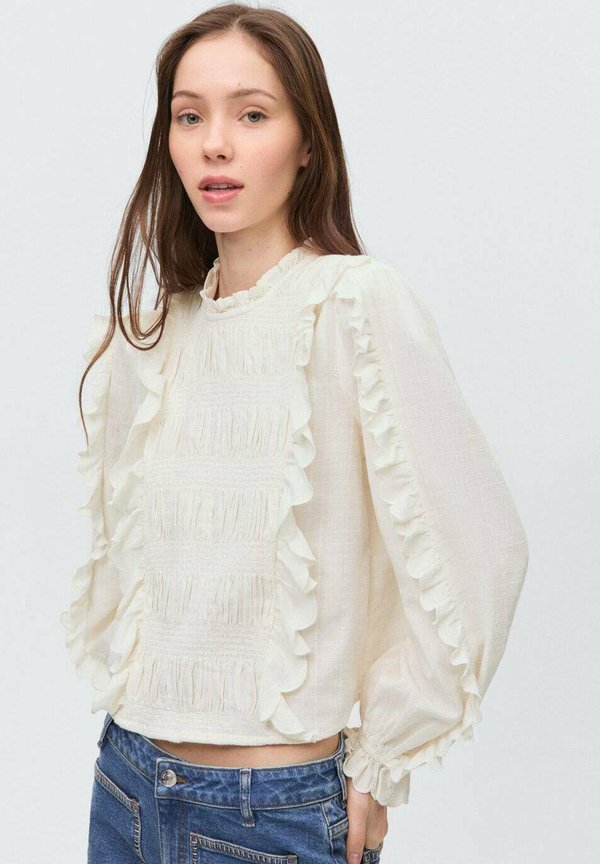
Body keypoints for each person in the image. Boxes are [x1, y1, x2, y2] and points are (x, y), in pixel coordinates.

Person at [60, 4, 529, 863]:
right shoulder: (154, 334)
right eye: (190, 117)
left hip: (272, 816)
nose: (215, 145)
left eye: (252, 114)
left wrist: (384, 759)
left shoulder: (353, 305)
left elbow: (484, 547)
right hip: (125, 788)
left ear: (307, 141)